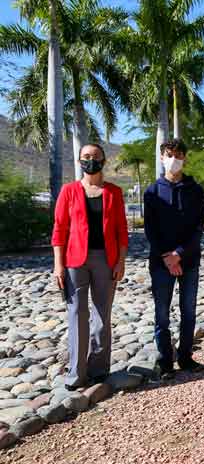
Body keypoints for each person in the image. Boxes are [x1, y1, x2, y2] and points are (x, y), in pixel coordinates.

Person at [52, 143, 128, 390]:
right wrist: (58, 265)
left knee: (102, 315)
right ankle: (76, 373)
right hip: (75, 261)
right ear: (79, 160)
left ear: (103, 160)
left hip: (106, 260)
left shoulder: (114, 192)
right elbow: (59, 229)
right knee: (76, 314)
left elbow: (121, 230)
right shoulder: (69, 191)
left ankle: (99, 369)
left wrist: (121, 261)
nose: (91, 160)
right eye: (86, 157)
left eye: (95, 156)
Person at [144, 138, 204, 376]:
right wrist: (167, 257)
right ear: (162, 158)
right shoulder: (152, 191)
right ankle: (165, 359)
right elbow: (151, 230)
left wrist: (179, 255)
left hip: (189, 261)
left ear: (185, 158)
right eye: (169, 154)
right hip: (160, 263)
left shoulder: (196, 190)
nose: (174, 159)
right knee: (162, 313)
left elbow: (198, 229)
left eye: (178, 155)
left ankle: (185, 356)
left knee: (188, 311)